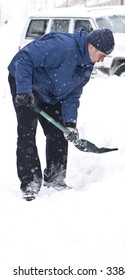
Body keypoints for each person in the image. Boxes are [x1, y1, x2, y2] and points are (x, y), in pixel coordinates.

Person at [8, 28, 115, 200]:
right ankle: (30, 182)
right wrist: (24, 90)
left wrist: (70, 123)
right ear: (91, 47)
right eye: (102, 55)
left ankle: (56, 178)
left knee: (58, 132)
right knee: (27, 130)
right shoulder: (62, 46)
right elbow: (24, 58)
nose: (102, 60)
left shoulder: (87, 65)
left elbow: (72, 95)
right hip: (25, 81)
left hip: (50, 92)